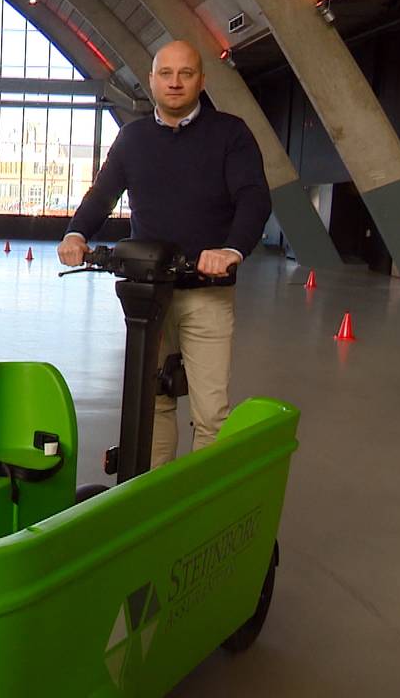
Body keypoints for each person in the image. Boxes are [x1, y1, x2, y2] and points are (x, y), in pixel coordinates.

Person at [57, 40, 271, 468]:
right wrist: (76, 233)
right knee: (152, 403)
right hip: (148, 294)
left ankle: (201, 501)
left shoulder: (230, 133)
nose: (175, 82)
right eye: (166, 73)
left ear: (201, 81)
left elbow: (253, 197)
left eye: (185, 73)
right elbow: (103, 194)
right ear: (152, 80)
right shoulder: (133, 138)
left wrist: (230, 250)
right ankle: (152, 492)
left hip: (205, 291)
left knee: (210, 412)